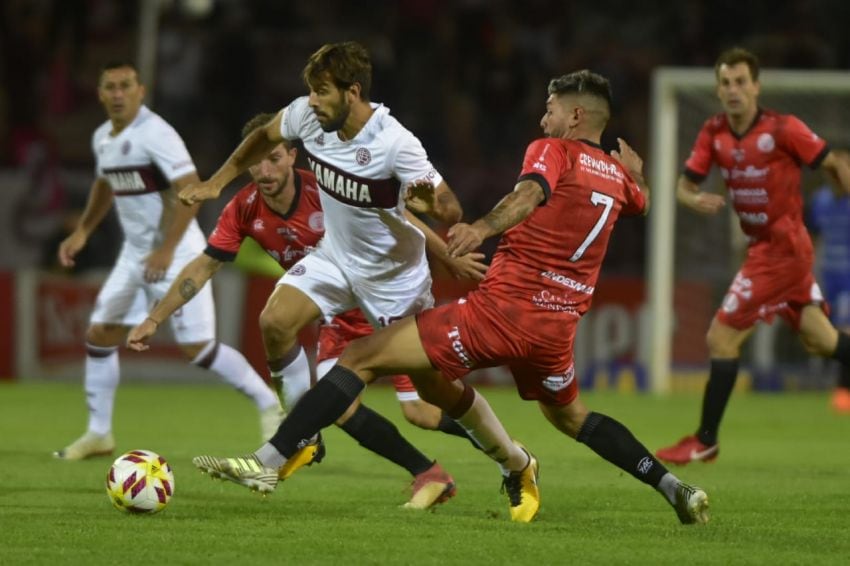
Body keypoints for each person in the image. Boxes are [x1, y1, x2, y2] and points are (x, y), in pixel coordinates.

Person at [193, 70, 711, 525]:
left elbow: (529, 193)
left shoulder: (552, 149)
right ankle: (673, 488)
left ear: (575, 115)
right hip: (557, 330)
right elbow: (639, 205)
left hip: (500, 313)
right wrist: (638, 176)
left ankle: (269, 460)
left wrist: (481, 227)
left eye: (551, 109)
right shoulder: (620, 178)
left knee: (358, 357)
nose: (542, 117)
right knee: (570, 418)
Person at [179, 42, 533, 511]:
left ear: (353, 91)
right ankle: (288, 446)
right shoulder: (307, 118)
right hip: (336, 260)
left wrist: (432, 207)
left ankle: (515, 461)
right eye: (310, 91)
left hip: (395, 282)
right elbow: (264, 135)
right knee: (276, 321)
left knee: (432, 399)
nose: (312, 101)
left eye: (322, 92)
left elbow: (450, 206)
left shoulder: (395, 143)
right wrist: (215, 183)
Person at [127, 112, 485, 487]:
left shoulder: (326, 188)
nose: (264, 171)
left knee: (422, 412)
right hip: (335, 314)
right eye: (255, 162)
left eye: (274, 159)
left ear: (293, 156)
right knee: (336, 406)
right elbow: (203, 266)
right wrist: (155, 318)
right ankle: (423, 472)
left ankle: (500, 448)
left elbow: (401, 215)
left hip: (382, 299)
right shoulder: (244, 208)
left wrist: (447, 254)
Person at [53, 61, 283, 460]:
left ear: (141, 91)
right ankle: (98, 433)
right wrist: (84, 231)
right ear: (101, 94)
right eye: (111, 86)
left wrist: (166, 248)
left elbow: (189, 190)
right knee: (100, 334)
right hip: (134, 255)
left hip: (177, 253)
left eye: (127, 85)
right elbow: (106, 184)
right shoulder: (103, 139)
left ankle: (269, 404)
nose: (119, 93)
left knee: (198, 348)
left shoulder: (157, 135)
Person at [655, 47, 850, 465]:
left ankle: (705, 439)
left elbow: (832, 162)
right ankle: (706, 439)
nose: (733, 90)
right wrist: (695, 200)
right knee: (822, 339)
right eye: (725, 83)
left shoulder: (784, 129)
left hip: (782, 253)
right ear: (718, 89)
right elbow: (682, 187)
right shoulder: (713, 132)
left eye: (741, 82)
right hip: (765, 251)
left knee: (720, 338)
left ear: (756, 87)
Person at [809, 180, 850, 412]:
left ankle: (843, 390)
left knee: (846, 330)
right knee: (823, 334)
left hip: (848, 278)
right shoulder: (821, 200)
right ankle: (820, 377)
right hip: (826, 276)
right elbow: (813, 235)